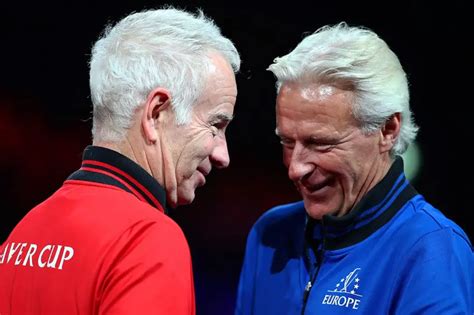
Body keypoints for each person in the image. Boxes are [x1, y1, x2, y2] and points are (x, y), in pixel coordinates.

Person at [0, 7, 240, 314]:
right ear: (156, 113)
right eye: (215, 126)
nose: (223, 155)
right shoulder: (147, 240)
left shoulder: (24, 233)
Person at [235, 22, 473, 314]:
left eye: (320, 143)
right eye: (286, 142)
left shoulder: (432, 248)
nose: (295, 169)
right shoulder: (270, 236)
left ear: (387, 129)